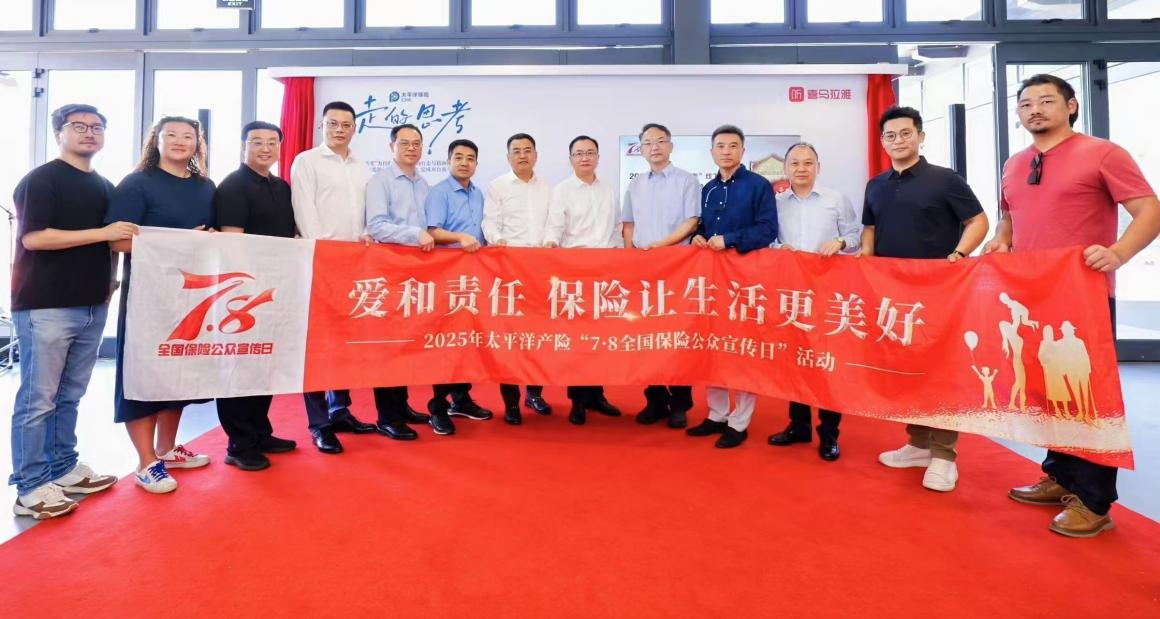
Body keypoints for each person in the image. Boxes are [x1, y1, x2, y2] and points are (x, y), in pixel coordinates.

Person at [986, 73, 1160, 537]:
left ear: (1071, 106)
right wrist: (1002, 239)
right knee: (1050, 389)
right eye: (1026, 104)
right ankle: (1060, 475)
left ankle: (1094, 500)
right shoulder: (1015, 163)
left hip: (1084, 297)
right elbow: (1009, 215)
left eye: (1046, 101)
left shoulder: (1102, 153)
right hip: (1031, 296)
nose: (1035, 110)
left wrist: (1119, 253)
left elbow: (1149, 210)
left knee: (1089, 394)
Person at [8, 104, 129, 518]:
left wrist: (111, 282)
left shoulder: (104, 185)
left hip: (93, 303)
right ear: (59, 133)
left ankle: (63, 468)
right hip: (46, 304)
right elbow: (34, 239)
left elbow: (113, 242)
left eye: (97, 127)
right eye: (79, 126)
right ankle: (30, 487)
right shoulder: (41, 180)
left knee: (70, 396)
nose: (89, 132)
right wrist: (101, 233)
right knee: (38, 401)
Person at [865, 106, 989, 492]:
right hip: (892, 295)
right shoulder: (876, 185)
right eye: (890, 136)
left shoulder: (944, 179)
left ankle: (944, 456)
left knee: (941, 371)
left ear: (920, 136)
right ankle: (918, 444)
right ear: (882, 142)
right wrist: (865, 263)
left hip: (939, 294)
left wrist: (959, 255)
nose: (898, 141)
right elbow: (870, 228)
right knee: (906, 369)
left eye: (906, 133)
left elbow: (978, 221)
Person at [107, 116, 217, 493]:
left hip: (189, 294)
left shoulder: (205, 186)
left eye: (188, 136)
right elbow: (118, 241)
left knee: (178, 371)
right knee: (144, 374)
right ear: (156, 140)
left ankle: (167, 449)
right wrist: (181, 240)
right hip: (147, 295)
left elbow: (210, 237)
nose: (180, 141)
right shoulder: (137, 183)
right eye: (171, 134)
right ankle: (146, 462)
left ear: (198, 143)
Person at [290, 100, 403, 454]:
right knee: (317, 346)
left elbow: (366, 214)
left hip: (355, 265)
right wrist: (320, 252)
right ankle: (319, 424)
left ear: (355, 128)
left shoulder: (361, 167)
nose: (339, 129)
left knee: (345, 341)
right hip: (320, 261)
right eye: (333, 123)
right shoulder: (307, 161)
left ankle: (339, 410)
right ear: (322, 126)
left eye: (346, 124)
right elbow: (304, 210)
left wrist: (367, 235)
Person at [212, 121, 300, 471]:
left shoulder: (281, 186)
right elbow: (232, 242)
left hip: (277, 287)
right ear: (243, 146)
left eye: (272, 142)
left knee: (265, 362)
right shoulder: (233, 186)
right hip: (244, 292)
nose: (265, 148)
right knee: (240, 366)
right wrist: (251, 287)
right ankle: (238, 443)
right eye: (257, 142)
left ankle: (260, 432)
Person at [685, 125, 778, 449]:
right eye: (720, 146)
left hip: (747, 280)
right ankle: (717, 414)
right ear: (712, 151)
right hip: (713, 281)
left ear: (743, 151)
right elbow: (702, 227)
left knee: (744, 350)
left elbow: (768, 230)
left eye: (733, 145)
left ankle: (739, 423)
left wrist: (729, 239)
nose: (726, 151)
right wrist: (697, 237)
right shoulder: (708, 189)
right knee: (713, 346)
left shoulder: (759, 186)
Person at [767, 142, 860, 461]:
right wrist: (778, 248)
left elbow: (856, 237)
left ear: (818, 167)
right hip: (792, 294)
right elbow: (770, 239)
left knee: (827, 364)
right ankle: (799, 425)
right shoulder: (777, 203)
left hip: (828, 294)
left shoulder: (836, 199)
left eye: (808, 163)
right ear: (785, 168)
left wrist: (840, 242)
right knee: (795, 360)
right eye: (795, 163)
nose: (801, 168)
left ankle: (829, 433)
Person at [622, 123, 702, 429]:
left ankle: (680, 403)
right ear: (640, 149)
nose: (654, 147)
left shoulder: (686, 181)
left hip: (677, 267)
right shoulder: (636, 184)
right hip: (643, 270)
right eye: (647, 143)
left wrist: (662, 246)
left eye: (660, 141)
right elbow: (629, 224)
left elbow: (691, 222)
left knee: (677, 336)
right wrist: (630, 256)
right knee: (646, 336)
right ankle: (655, 398)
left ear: (670, 146)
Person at [543, 135, 624, 425]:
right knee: (577, 339)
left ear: (598, 157)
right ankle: (577, 401)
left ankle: (597, 396)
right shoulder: (562, 190)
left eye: (590, 152)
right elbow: (554, 226)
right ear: (571, 159)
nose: (585, 158)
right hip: (574, 271)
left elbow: (616, 228)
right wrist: (551, 244)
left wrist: (622, 260)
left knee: (600, 337)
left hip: (605, 271)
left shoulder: (608, 190)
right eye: (579, 154)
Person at [364, 122, 438, 434]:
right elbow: (377, 225)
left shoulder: (424, 184)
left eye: (416, 143)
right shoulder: (380, 181)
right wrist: (414, 234)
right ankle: (387, 417)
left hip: (416, 273)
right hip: (389, 270)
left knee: (407, 342)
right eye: (404, 143)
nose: (411, 148)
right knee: (388, 344)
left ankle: (402, 406)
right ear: (391, 146)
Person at [424, 139, 494, 435]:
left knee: (468, 340)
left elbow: (482, 233)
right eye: (459, 157)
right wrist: (459, 237)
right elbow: (432, 231)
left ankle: (461, 398)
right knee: (447, 342)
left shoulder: (478, 193)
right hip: (447, 276)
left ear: (476, 163)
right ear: (448, 161)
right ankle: (437, 406)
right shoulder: (439, 192)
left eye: (470, 158)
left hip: (474, 277)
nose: (465, 163)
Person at [483, 133, 553, 425]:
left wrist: (551, 242)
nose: (523, 155)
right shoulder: (497, 186)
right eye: (517, 151)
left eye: (528, 150)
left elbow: (553, 224)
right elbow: (489, 222)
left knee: (539, 337)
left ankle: (534, 394)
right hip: (509, 273)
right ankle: (511, 403)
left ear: (535, 155)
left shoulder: (548, 188)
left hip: (540, 274)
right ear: (508, 156)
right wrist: (497, 240)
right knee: (510, 340)